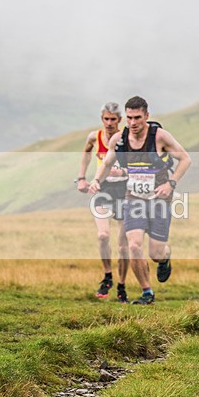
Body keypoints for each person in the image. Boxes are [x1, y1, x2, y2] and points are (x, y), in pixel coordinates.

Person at [89, 96, 191, 305]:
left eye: (137, 118)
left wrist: (170, 183)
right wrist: (96, 180)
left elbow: (185, 159)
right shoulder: (119, 139)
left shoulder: (160, 137)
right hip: (133, 198)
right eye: (129, 118)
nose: (133, 123)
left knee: (155, 253)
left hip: (159, 199)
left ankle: (165, 256)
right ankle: (147, 292)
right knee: (134, 245)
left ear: (146, 116)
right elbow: (107, 163)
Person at [76, 102, 130, 301]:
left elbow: (139, 163)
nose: (109, 123)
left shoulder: (127, 138)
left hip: (124, 189)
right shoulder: (95, 137)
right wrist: (82, 177)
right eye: (106, 119)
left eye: (113, 120)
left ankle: (122, 286)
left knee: (124, 245)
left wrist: (123, 171)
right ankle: (108, 276)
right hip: (102, 188)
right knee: (102, 235)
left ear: (120, 120)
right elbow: (86, 152)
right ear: (102, 119)